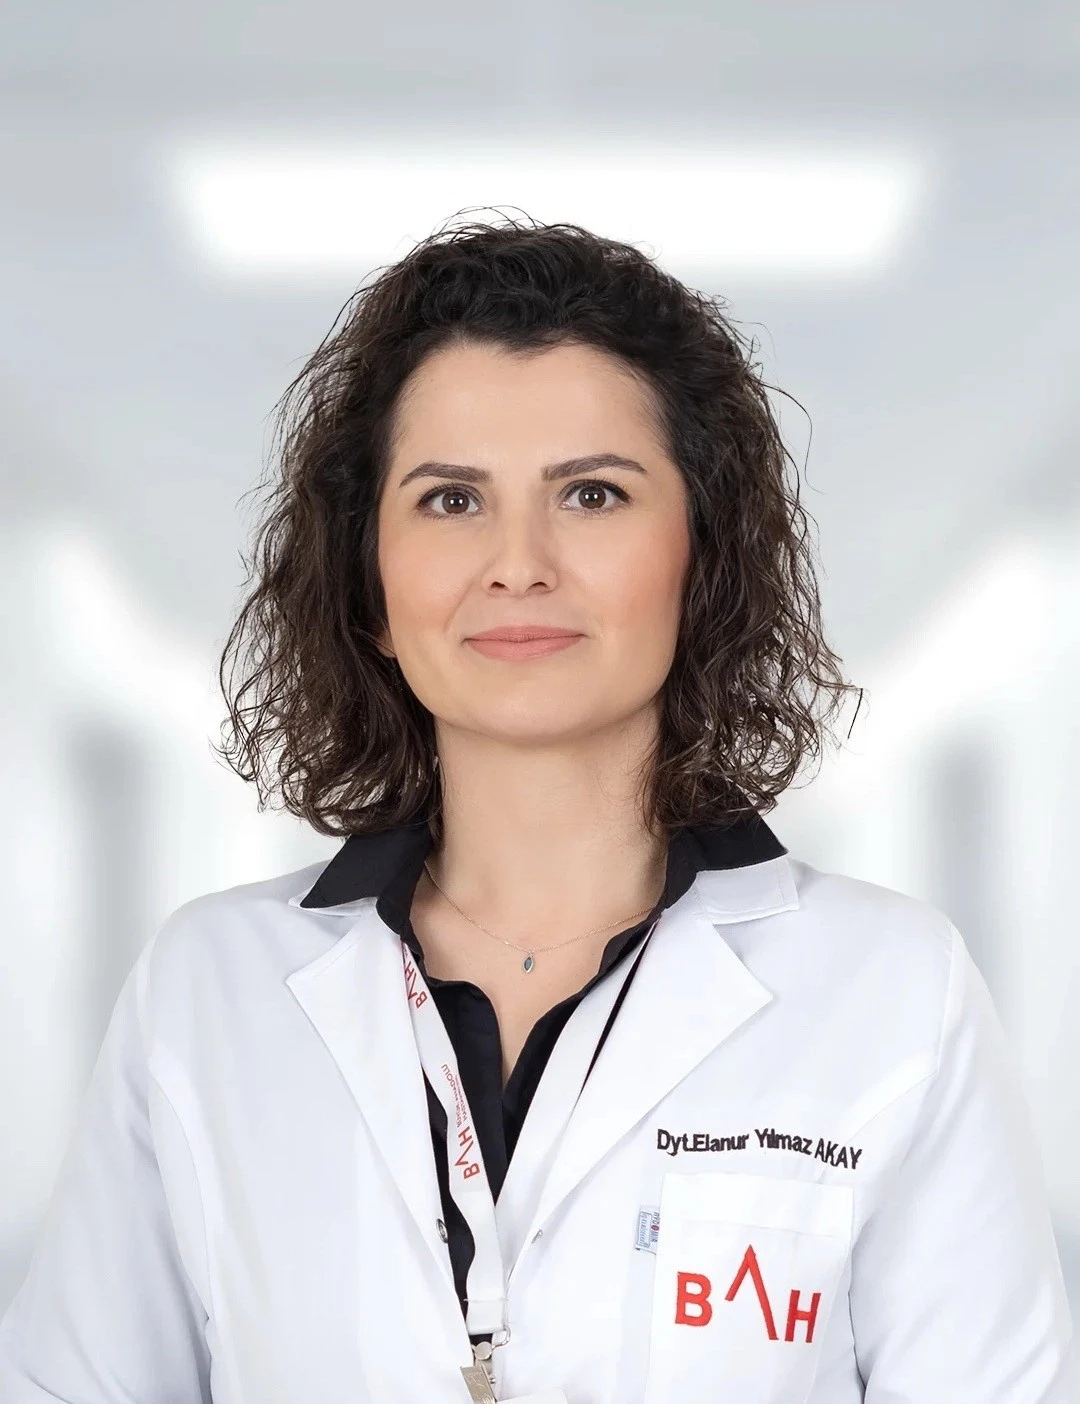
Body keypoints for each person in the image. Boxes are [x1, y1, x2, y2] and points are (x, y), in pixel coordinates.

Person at [0, 213, 1074, 1404]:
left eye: (593, 495)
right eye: (451, 501)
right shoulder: (208, 993)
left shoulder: (892, 994)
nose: (518, 564)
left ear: (703, 560)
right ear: (370, 586)